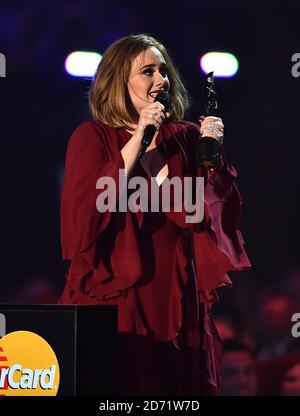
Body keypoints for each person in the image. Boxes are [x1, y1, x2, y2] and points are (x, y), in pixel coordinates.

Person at [58, 33, 251, 395]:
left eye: (163, 70)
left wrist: (213, 163)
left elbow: (204, 216)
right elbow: (88, 213)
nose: (161, 80)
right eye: (148, 71)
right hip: (118, 296)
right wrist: (140, 136)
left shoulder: (185, 138)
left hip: (175, 299)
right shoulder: (93, 138)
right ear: (118, 81)